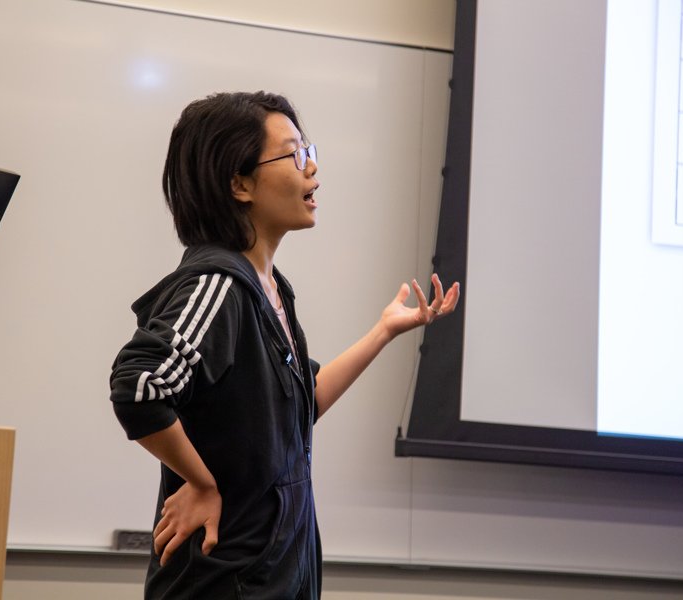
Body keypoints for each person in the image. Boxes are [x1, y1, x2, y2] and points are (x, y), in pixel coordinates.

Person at [109, 91, 460, 599]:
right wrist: (203, 484)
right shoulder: (219, 286)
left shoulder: (271, 290)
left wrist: (383, 331)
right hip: (224, 582)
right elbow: (139, 388)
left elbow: (300, 404)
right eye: (295, 155)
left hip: (278, 576)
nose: (312, 171)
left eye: (309, 152)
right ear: (240, 183)